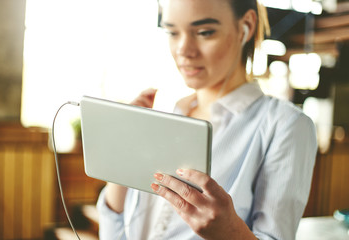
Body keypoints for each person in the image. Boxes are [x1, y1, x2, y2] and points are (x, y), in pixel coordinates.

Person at [96, 0, 318, 239]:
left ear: (246, 26)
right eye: (172, 32)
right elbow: (117, 230)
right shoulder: (171, 112)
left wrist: (230, 232)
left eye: (204, 32)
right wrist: (120, 162)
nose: (183, 49)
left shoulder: (285, 125)